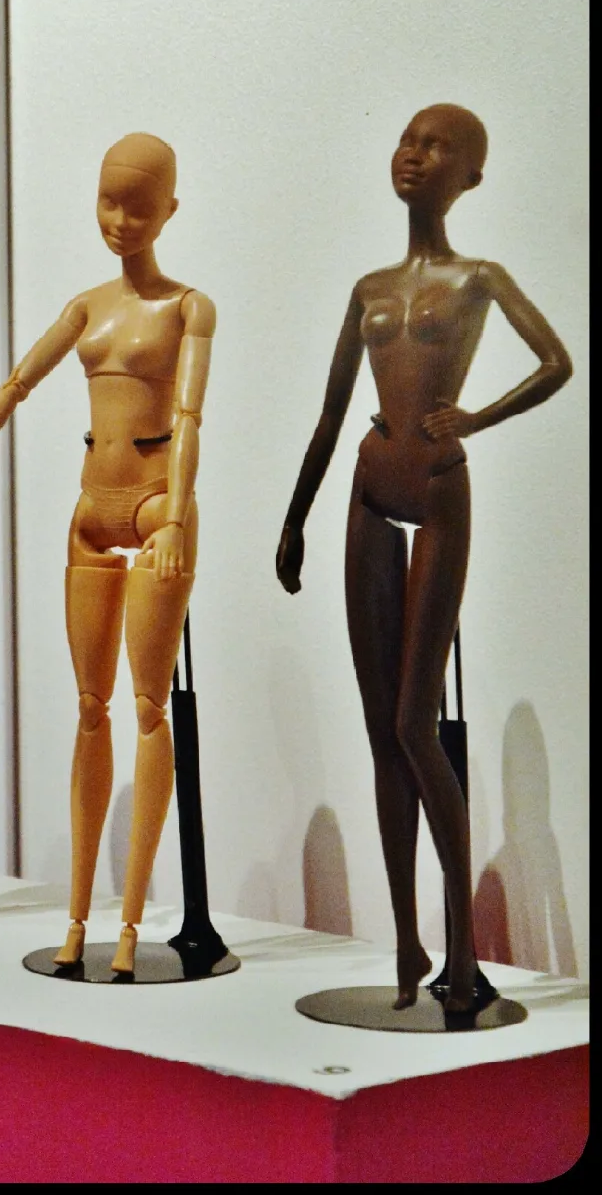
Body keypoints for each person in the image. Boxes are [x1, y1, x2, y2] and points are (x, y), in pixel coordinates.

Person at [276, 104, 572, 1011]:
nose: (414, 156)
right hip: (369, 487)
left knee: (415, 723)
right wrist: (294, 518)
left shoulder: (479, 278)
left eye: (437, 147)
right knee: (381, 729)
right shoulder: (368, 288)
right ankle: (407, 943)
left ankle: (463, 951)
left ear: (470, 177)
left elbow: (556, 363)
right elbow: (332, 411)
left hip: (438, 489)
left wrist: (478, 417)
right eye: (408, 140)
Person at [0, 133, 214, 973]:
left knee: (149, 707)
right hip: (90, 509)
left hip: (156, 504)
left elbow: (189, 417)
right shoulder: (86, 307)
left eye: (138, 206)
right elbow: (14, 387)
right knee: (90, 707)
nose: (120, 220)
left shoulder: (189, 309)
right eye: (109, 201)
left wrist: (174, 519)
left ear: (169, 211)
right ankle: (78, 918)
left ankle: (132, 926)